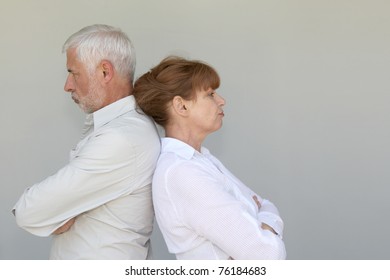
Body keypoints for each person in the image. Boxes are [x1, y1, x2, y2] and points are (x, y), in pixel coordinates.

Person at [12, 24, 161, 259]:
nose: (67, 85)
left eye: (74, 73)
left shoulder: (121, 139)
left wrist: (56, 214)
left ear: (104, 72)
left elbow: (28, 211)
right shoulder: (124, 128)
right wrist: (60, 212)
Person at [133, 56, 286, 260]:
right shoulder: (182, 173)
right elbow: (266, 255)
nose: (222, 100)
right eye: (210, 94)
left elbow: (266, 204)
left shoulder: (201, 160)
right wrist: (263, 222)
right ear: (181, 106)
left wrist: (264, 225)